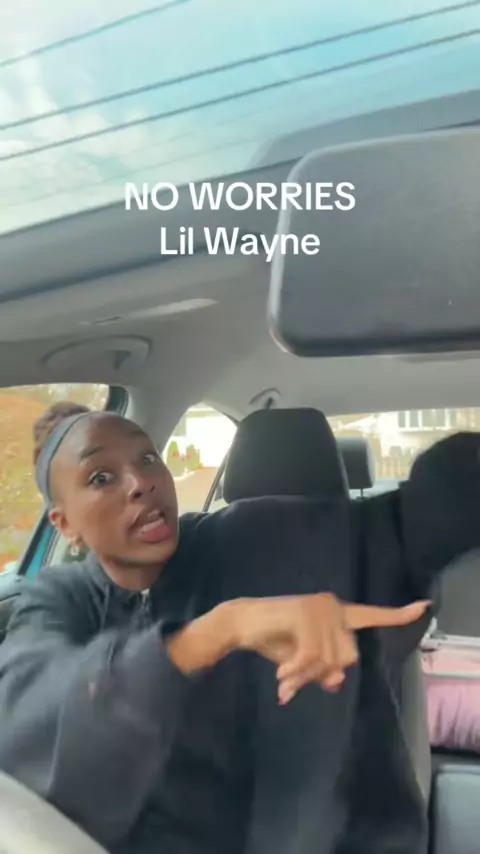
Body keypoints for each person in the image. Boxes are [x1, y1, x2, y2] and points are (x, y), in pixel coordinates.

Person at [0, 404, 466, 854]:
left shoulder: (262, 535)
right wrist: (218, 632)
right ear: (64, 524)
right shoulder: (57, 602)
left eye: (147, 459)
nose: (141, 482)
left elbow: (408, 525)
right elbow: (27, 724)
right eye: (101, 477)